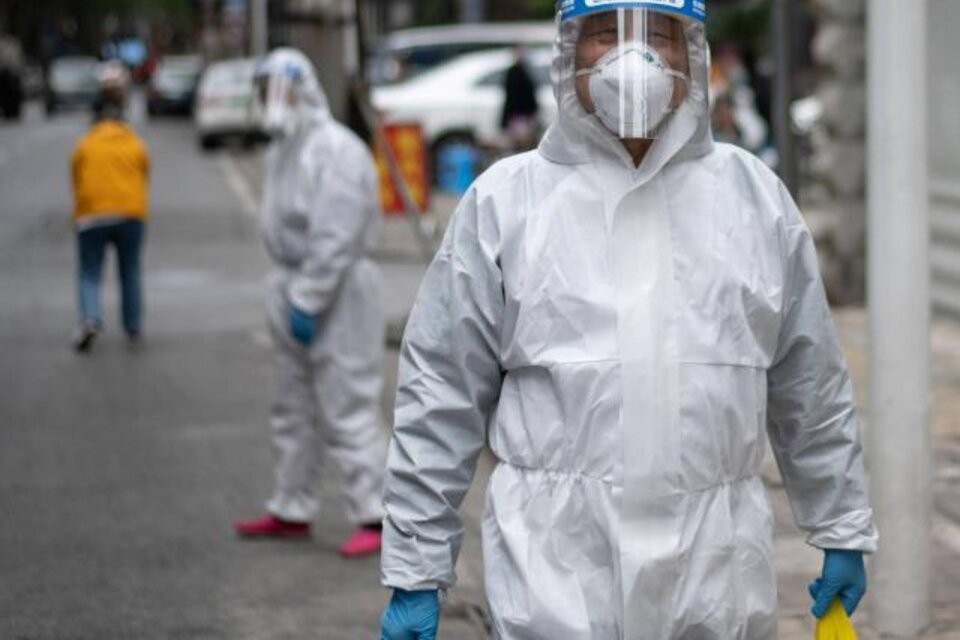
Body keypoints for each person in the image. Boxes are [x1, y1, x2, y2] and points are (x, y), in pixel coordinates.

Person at [379, 1, 877, 638]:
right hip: (554, 579)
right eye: (604, 33)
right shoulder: (508, 203)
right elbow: (441, 393)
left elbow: (810, 383)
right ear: (569, 54)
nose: (632, 55)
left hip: (715, 578)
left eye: (658, 33)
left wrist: (840, 521)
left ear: (691, 55)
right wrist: (416, 566)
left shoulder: (752, 200)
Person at [233, 49, 388, 558]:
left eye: (275, 90)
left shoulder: (335, 149)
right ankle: (291, 505)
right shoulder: (285, 148)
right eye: (263, 92)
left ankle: (376, 514)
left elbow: (335, 234)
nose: (269, 102)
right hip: (294, 283)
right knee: (292, 405)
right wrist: (293, 295)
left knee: (348, 403)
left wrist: (309, 296)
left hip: (338, 288)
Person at [70, 64, 148, 352]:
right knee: (130, 270)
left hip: (92, 214)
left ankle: (90, 317)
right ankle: (133, 325)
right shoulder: (133, 141)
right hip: (131, 212)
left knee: (90, 271)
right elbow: (144, 173)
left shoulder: (86, 143)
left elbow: (76, 177)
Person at [499, 45, 541, 152]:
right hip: (518, 114)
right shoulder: (514, 73)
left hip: (523, 114)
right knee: (520, 141)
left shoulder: (526, 70)